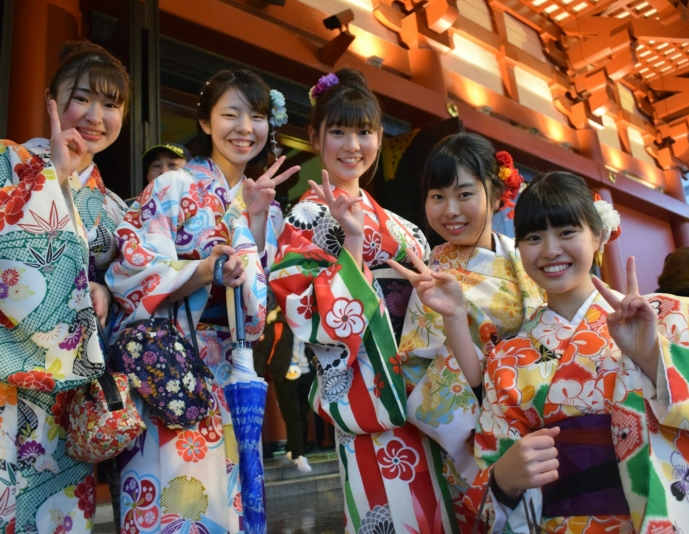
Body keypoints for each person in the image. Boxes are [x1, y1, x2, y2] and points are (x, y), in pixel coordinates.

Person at [106, 69, 298, 533]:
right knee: (175, 504)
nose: (244, 128)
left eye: (255, 116)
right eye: (230, 114)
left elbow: (259, 304)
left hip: (229, 372)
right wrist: (203, 270)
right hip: (169, 369)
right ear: (206, 123)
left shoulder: (265, 206)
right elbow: (129, 269)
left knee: (225, 507)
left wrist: (252, 224)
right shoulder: (173, 185)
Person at [269, 68, 458, 533]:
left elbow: (432, 313)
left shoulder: (403, 226)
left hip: (424, 398)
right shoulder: (304, 219)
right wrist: (352, 244)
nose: (352, 145)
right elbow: (310, 316)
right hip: (369, 398)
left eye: (365, 132)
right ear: (315, 138)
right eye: (338, 131)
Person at [462, 172, 689, 532]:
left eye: (567, 232)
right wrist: (504, 478)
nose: (550, 250)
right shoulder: (507, 357)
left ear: (598, 235)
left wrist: (650, 356)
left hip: (666, 514)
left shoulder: (666, 316)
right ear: (519, 249)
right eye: (534, 237)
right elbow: (489, 472)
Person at [0, 39, 130, 533]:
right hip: (8, 371)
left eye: (112, 105)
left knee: (60, 516)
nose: (96, 115)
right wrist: (53, 176)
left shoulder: (111, 203)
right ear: (51, 98)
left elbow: (123, 280)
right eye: (83, 98)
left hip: (70, 393)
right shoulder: (7, 163)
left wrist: (107, 291)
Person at [386, 132, 542, 529]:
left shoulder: (526, 257)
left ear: (495, 193)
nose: (450, 210)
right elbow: (418, 374)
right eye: (437, 196)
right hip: (482, 436)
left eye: (464, 194)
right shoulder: (432, 280)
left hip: (553, 414)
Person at [254, 307, 315, 473]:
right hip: (285, 375)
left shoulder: (306, 324)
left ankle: (291, 450)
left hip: (306, 374)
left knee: (303, 415)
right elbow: (262, 351)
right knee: (293, 416)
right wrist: (257, 377)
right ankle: (299, 455)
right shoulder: (277, 325)